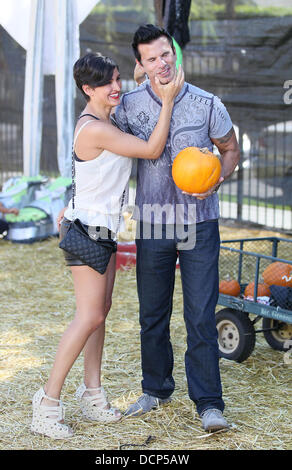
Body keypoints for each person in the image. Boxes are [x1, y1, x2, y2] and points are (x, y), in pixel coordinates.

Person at [31, 52, 184, 439]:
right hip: (87, 231)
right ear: (87, 89)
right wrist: (166, 100)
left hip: (105, 229)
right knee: (89, 316)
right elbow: (150, 149)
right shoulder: (95, 128)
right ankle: (47, 404)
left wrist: (137, 77)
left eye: (118, 79)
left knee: (100, 312)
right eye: (107, 84)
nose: (116, 88)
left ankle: (92, 393)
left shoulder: (105, 118)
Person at [114, 24, 240, 432]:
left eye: (166, 54)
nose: (162, 63)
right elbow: (103, 140)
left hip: (199, 224)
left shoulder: (207, 103)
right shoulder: (129, 107)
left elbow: (230, 148)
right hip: (153, 223)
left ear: (175, 53)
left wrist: (217, 177)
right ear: (141, 65)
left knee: (200, 315)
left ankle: (208, 403)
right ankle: (156, 389)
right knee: (152, 314)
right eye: (151, 58)